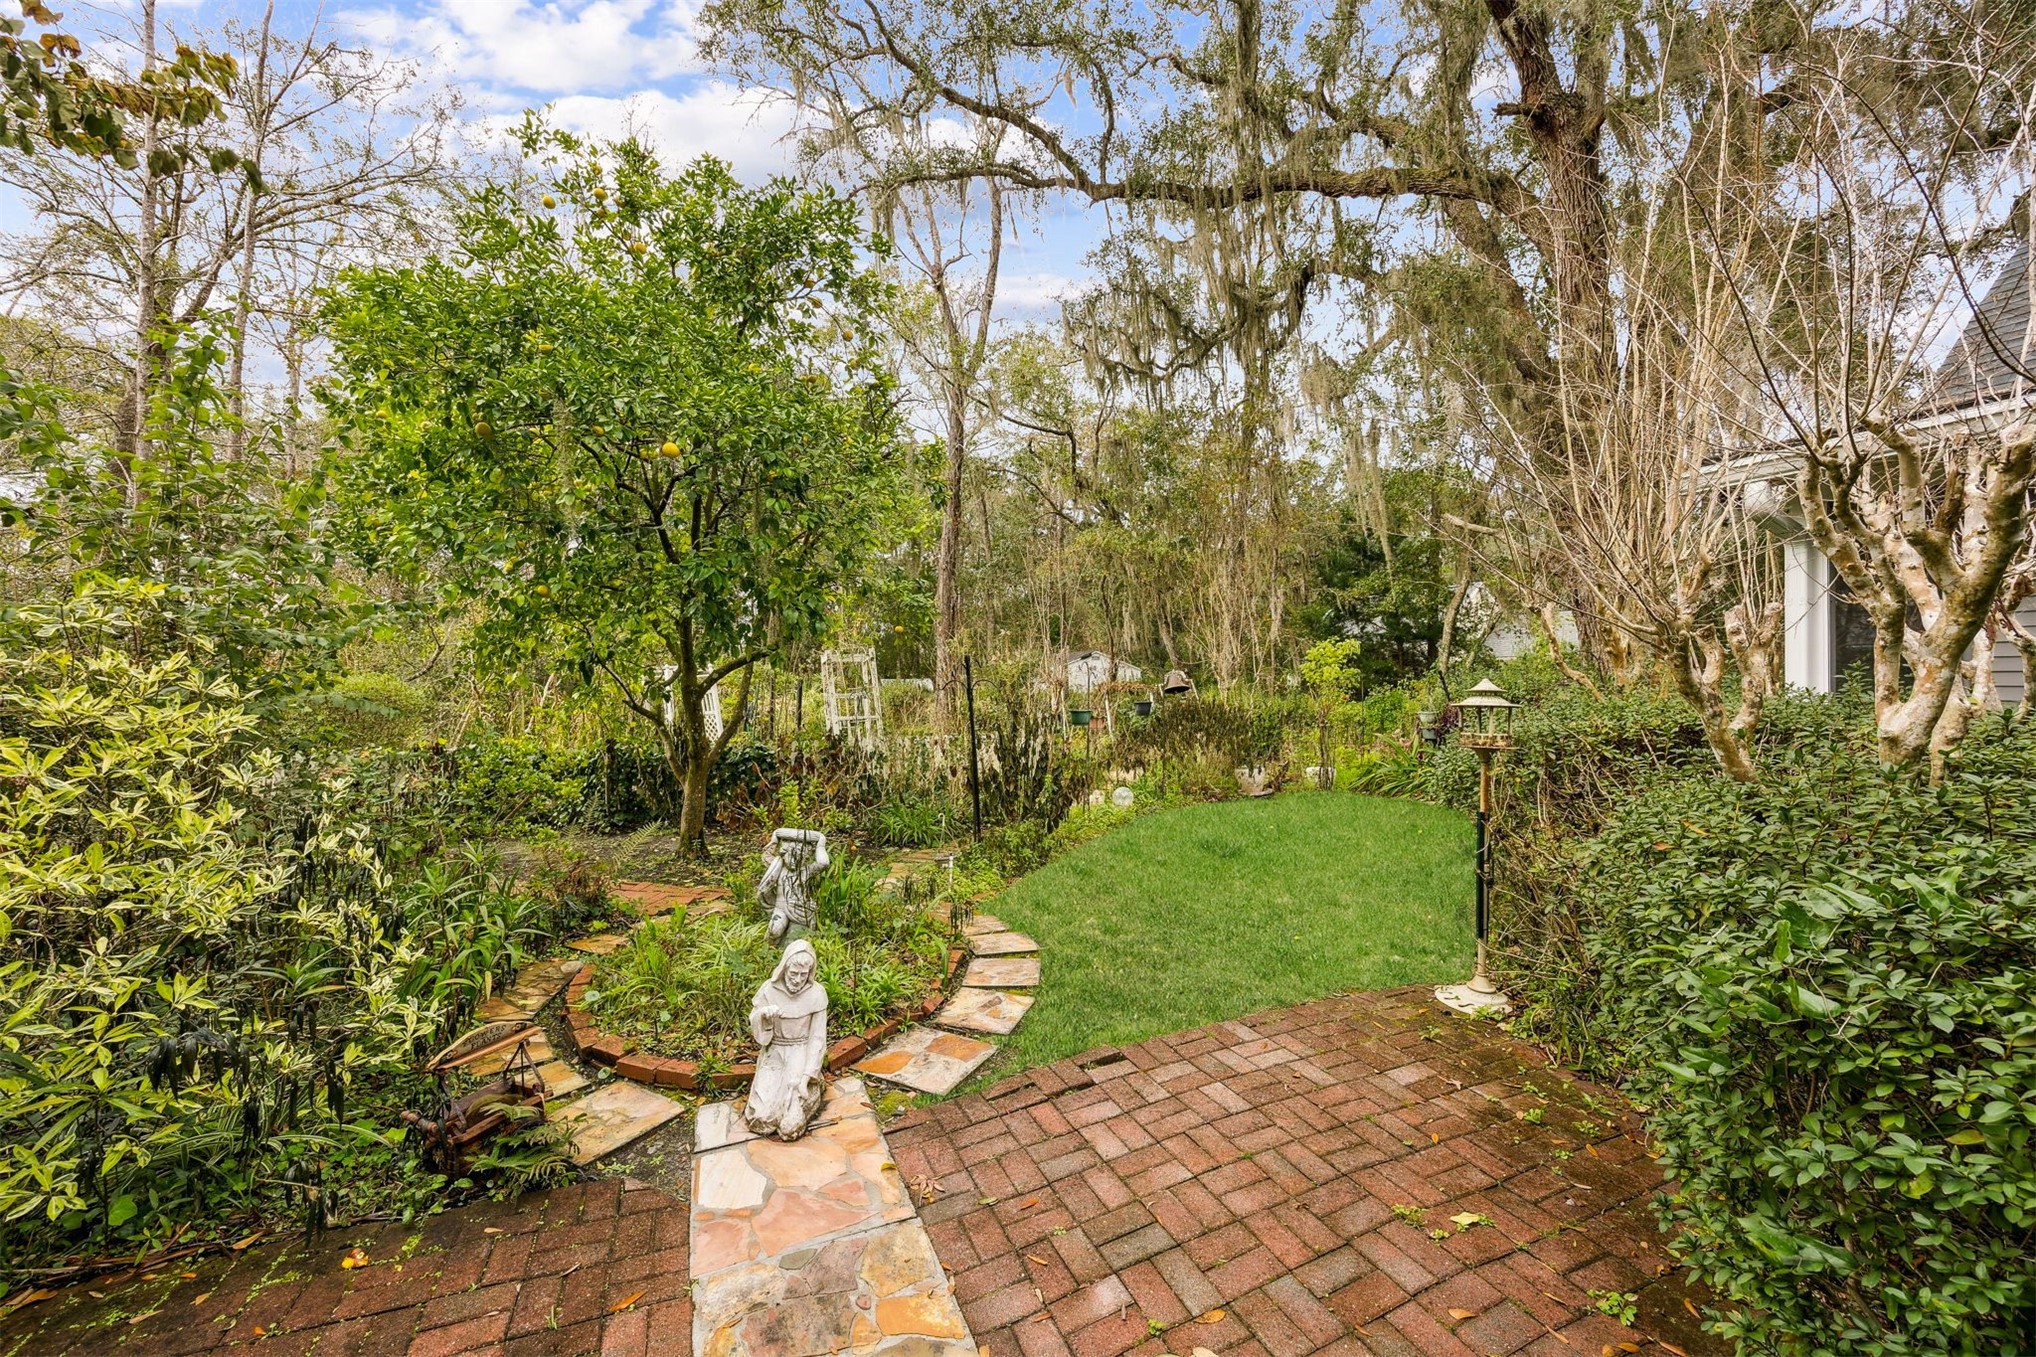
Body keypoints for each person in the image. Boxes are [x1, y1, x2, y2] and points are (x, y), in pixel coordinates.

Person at [743, 939, 828, 1139]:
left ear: (810, 973)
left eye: (803, 974)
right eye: (793, 974)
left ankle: (810, 1092)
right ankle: (779, 1105)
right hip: (775, 1052)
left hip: (801, 1051)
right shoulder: (768, 990)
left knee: (790, 1127)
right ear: (784, 969)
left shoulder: (816, 993)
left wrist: (807, 1075)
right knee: (761, 1119)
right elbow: (761, 1036)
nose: (798, 979)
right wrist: (764, 1017)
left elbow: (817, 1039)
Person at [758, 828, 829, 941]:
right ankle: (768, 952)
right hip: (780, 909)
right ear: (783, 854)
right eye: (790, 856)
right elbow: (766, 855)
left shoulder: (806, 870)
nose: (793, 861)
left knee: (795, 936)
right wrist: (775, 838)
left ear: (804, 858)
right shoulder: (778, 867)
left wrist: (821, 842)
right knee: (774, 931)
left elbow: (823, 862)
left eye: (798, 858)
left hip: (799, 910)